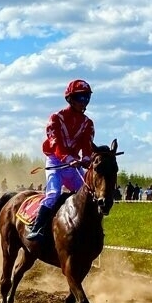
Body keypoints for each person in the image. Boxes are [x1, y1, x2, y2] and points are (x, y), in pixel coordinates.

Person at [26, 78, 96, 244]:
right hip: (56, 162)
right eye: (80, 97)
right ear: (70, 99)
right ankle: (37, 228)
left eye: (87, 98)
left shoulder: (88, 123)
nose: (84, 101)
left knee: (89, 195)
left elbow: (87, 146)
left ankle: (92, 231)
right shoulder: (56, 118)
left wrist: (86, 159)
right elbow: (55, 144)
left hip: (74, 165)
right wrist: (69, 158)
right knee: (53, 194)